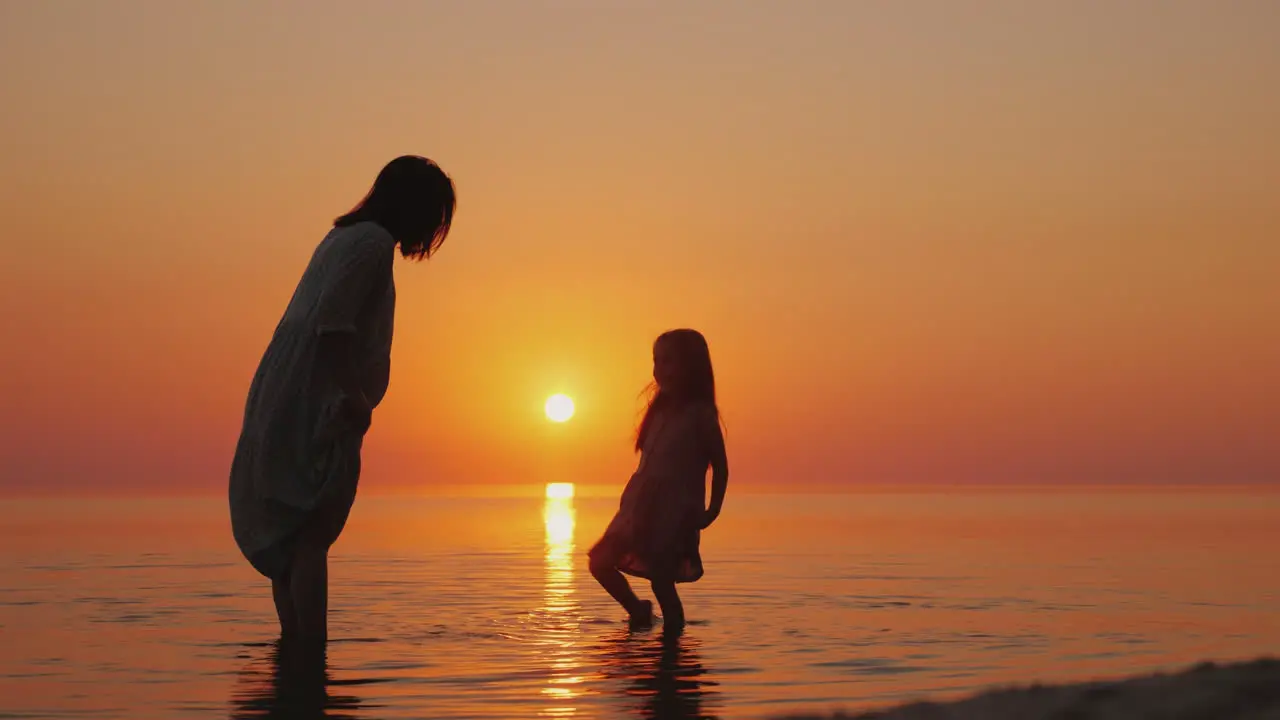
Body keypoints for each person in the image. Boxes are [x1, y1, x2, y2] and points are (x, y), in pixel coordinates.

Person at [229, 155, 456, 642]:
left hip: (288, 386)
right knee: (313, 531)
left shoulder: (342, 238)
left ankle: (294, 654)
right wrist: (353, 398)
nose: (436, 228)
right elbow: (333, 325)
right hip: (321, 397)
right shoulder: (371, 245)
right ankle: (311, 656)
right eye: (436, 214)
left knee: (294, 533)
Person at [588, 329, 729, 632]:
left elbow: (720, 466)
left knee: (662, 583)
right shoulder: (659, 411)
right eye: (656, 361)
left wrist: (712, 510)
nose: (660, 369)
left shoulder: (700, 414)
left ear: (691, 366)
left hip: (675, 512)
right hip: (640, 508)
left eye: (669, 361)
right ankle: (638, 610)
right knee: (599, 562)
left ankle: (672, 650)